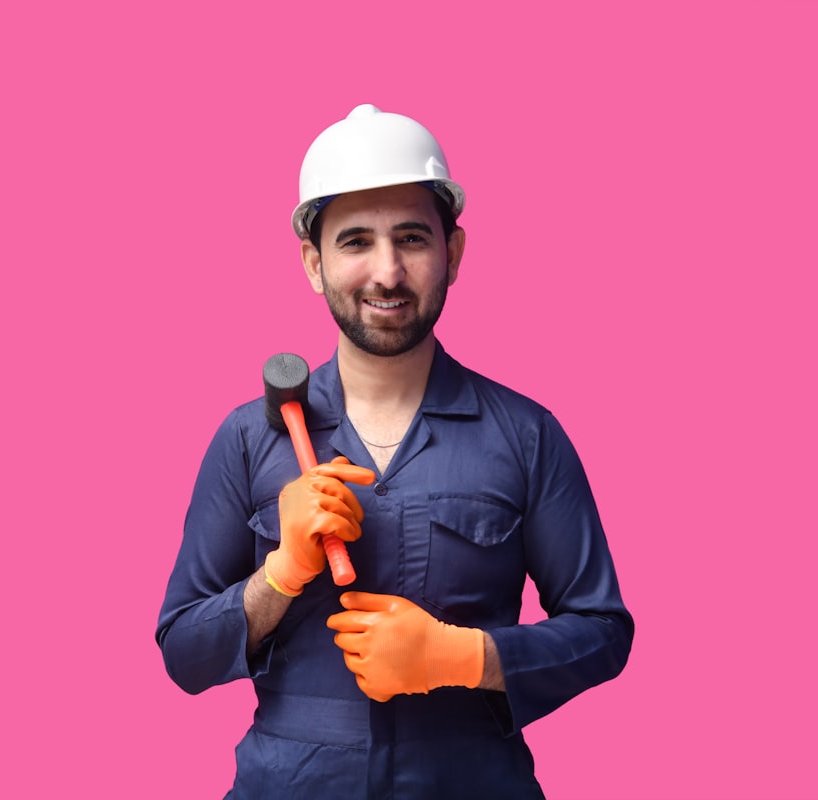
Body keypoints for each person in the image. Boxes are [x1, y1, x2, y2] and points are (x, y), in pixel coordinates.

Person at [156, 104, 634, 799]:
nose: (387, 272)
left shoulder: (527, 435)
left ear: (454, 254)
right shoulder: (247, 439)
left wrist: (465, 656)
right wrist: (281, 575)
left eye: (411, 238)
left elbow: (603, 633)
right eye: (355, 242)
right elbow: (184, 656)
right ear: (314, 264)